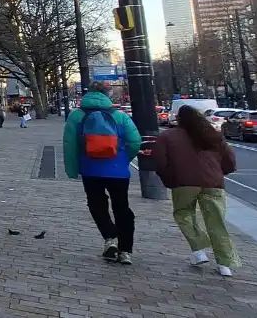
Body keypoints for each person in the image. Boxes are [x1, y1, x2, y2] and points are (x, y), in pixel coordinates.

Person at [153, 105, 240, 276]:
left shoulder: (167, 136)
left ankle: (198, 250)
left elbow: (160, 162)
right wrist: (220, 172)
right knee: (217, 222)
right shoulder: (213, 135)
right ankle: (225, 264)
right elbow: (229, 158)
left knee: (183, 214)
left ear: (178, 119)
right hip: (213, 183)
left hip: (184, 182)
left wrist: (169, 179)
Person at [63, 83, 142, 264]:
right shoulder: (120, 116)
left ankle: (110, 237)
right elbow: (135, 141)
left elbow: (70, 145)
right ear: (107, 95)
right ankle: (125, 250)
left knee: (96, 204)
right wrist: (123, 160)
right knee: (122, 207)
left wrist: (73, 169)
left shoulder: (76, 116)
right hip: (118, 171)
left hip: (90, 169)